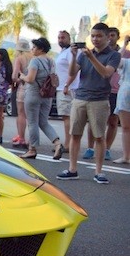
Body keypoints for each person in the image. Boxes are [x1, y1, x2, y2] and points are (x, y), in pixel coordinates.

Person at [57, 23, 121, 184]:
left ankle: (98, 171)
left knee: (99, 136)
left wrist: (91, 57)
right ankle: (72, 169)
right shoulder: (84, 54)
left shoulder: (113, 55)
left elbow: (106, 73)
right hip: (80, 97)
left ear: (107, 37)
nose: (95, 39)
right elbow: (72, 73)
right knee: (75, 134)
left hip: (99, 99)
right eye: (93, 36)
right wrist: (73, 56)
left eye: (99, 36)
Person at [81, 26, 129, 160]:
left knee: (113, 121)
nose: (111, 38)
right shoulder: (95, 52)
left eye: (113, 35)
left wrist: (125, 45)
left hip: (115, 91)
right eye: (110, 35)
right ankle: (90, 148)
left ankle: (106, 149)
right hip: (99, 90)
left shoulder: (122, 53)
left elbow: (119, 58)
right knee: (93, 121)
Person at [18, 37, 63, 160]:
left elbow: (31, 79)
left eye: (34, 47)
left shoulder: (35, 61)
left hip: (33, 94)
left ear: (40, 49)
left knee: (32, 122)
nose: (32, 49)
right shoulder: (52, 61)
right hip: (47, 95)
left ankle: (32, 149)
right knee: (43, 122)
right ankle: (57, 143)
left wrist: (22, 76)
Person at [54, 30, 79, 152]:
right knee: (66, 117)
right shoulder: (63, 52)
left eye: (63, 37)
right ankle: (68, 143)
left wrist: (66, 85)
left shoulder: (70, 52)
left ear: (69, 39)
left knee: (68, 117)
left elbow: (74, 70)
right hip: (62, 88)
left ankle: (68, 145)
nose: (60, 40)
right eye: (59, 38)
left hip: (68, 89)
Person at [11, 39, 32, 148]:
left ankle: (21, 138)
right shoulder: (34, 57)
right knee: (31, 116)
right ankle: (31, 140)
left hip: (23, 87)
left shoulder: (19, 58)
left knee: (21, 114)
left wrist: (18, 80)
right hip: (34, 88)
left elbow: (14, 76)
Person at [113, 36, 130, 164]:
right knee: (125, 127)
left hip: (125, 94)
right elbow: (116, 60)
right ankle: (126, 156)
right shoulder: (127, 62)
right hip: (125, 96)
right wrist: (124, 45)